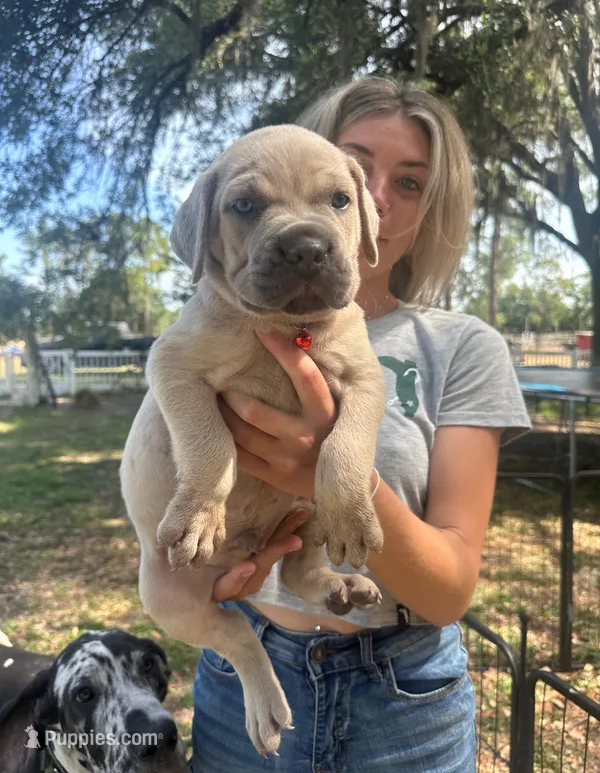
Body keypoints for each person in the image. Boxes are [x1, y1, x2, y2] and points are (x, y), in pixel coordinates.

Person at [188, 77, 531, 773]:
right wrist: (211, 578)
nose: (377, 195)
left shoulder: (462, 347)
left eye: (409, 182)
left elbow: (449, 590)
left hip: (402, 698)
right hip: (242, 674)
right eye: (356, 165)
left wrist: (330, 471)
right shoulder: (220, 325)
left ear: (431, 207)